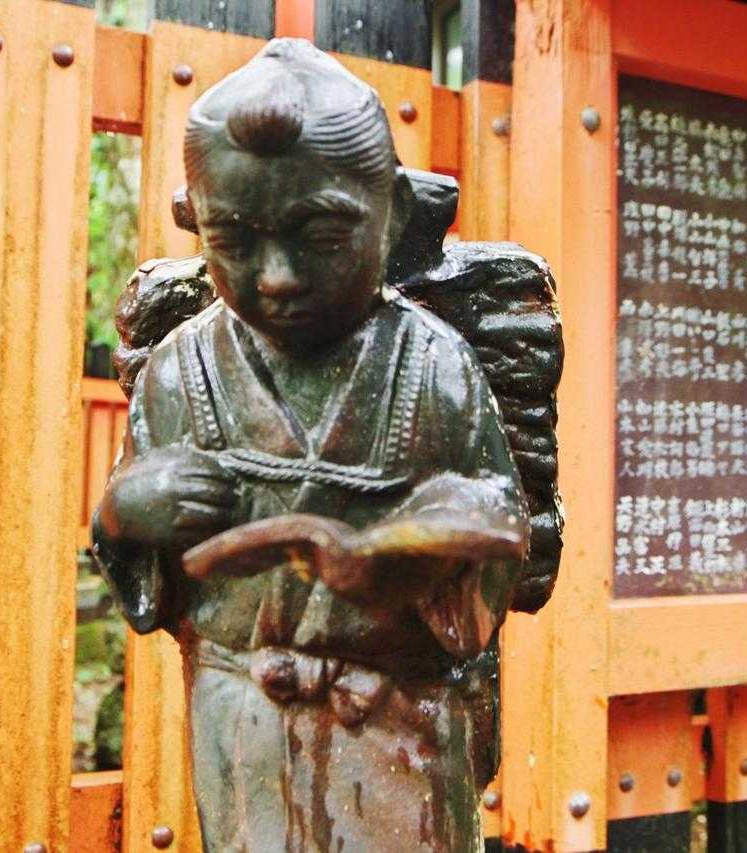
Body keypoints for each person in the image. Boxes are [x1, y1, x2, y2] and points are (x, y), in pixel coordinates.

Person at [93, 38, 530, 852]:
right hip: (241, 711)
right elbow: (133, 548)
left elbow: (501, 515)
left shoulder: (432, 366)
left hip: (395, 711)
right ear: (197, 222)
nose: (279, 277)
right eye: (236, 241)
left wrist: (425, 539)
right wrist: (129, 511)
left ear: (394, 213)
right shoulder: (181, 372)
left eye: (322, 238)